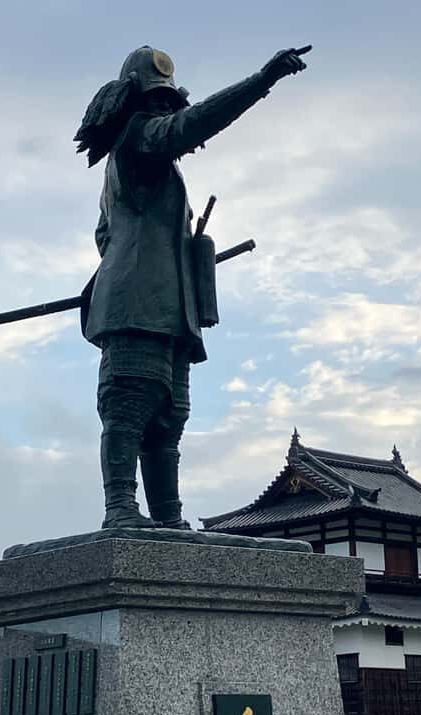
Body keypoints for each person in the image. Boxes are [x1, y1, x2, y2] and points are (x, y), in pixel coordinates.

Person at [75, 44, 310, 529]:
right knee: (129, 405)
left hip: (169, 308)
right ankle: (120, 507)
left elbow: (105, 235)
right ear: (133, 101)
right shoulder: (137, 140)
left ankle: (168, 514)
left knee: (168, 416)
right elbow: (191, 126)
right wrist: (261, 80)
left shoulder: (150, 167)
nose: (163, 108)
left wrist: (167, 256)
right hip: (137, 306)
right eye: (154, 99)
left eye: (167, 99)